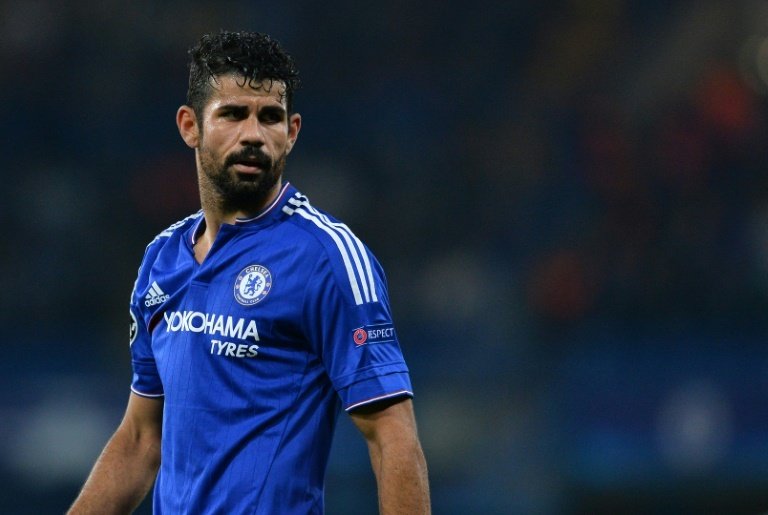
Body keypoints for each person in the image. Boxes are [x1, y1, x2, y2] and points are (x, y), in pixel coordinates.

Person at [68, 30, 430, 514]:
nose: (254, 135)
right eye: (233, 114)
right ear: (190, 126)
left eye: (271, 117)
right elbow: (140, 441)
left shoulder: (327, 257)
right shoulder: (162, 259)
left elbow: (392, 436)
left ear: (293, 131)